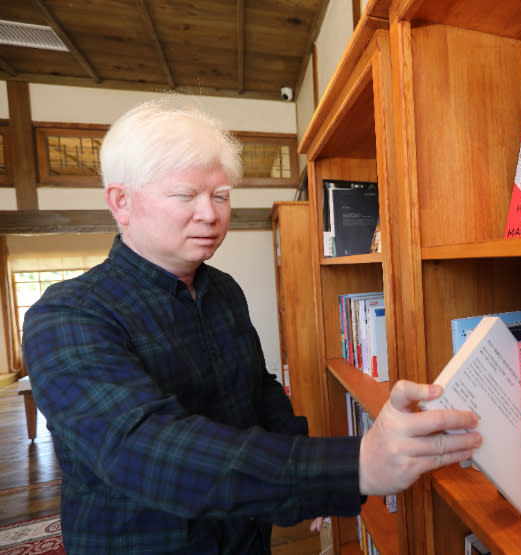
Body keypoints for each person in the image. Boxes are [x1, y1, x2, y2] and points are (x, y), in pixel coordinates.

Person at [21, 98, 482, 554]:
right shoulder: (67, 314)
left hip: (247, 536)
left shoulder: (222, 290)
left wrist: (307, 480)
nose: (211, 214)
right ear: (121, 202)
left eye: (220, 196)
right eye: (185, 195)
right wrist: (350, 466)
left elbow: (258, 390)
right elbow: (142, 447)